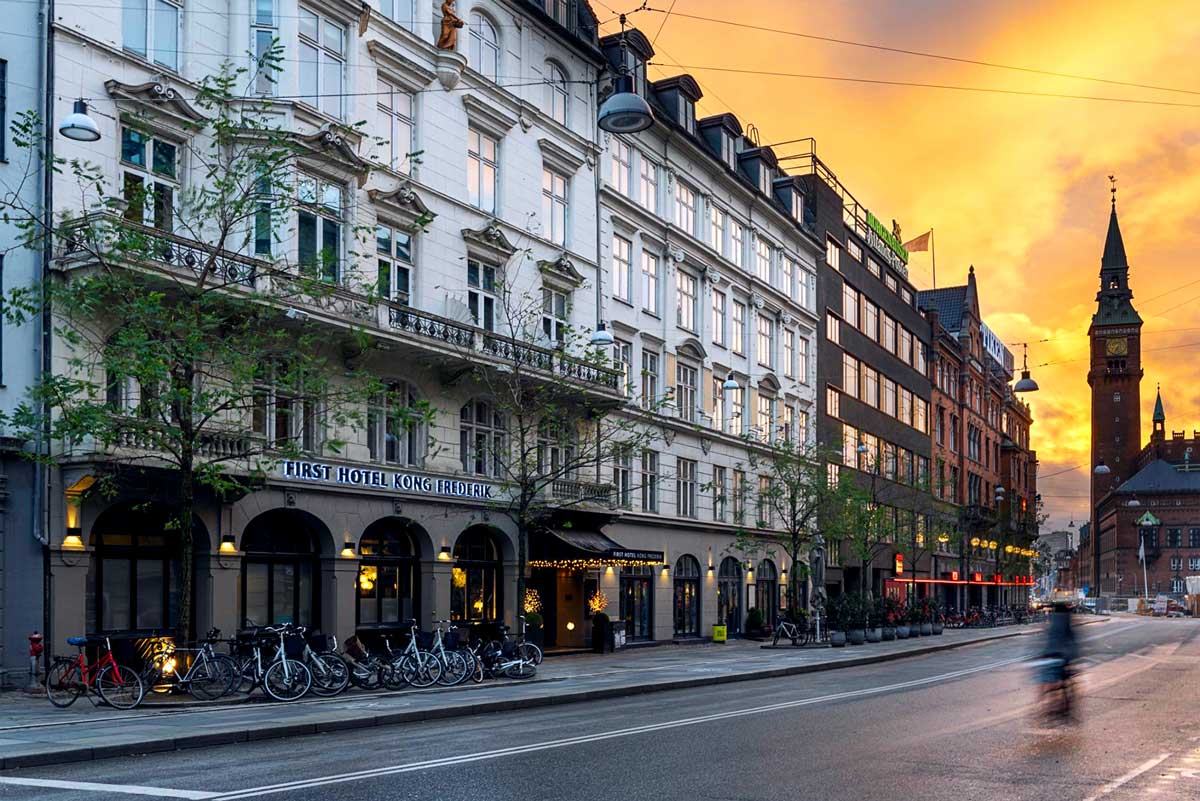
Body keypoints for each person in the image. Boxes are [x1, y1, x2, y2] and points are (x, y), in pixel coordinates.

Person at [1037, 601, 1079, 719]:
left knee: (1046, 680)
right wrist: (1074, 656)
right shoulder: (1066, 621)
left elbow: (1044, 639)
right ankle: (1065, 705)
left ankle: (1041, 703)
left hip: (1048, 654)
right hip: (1062, 655)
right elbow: (1071, 640)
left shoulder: (1050, 621)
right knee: (1064, 679)